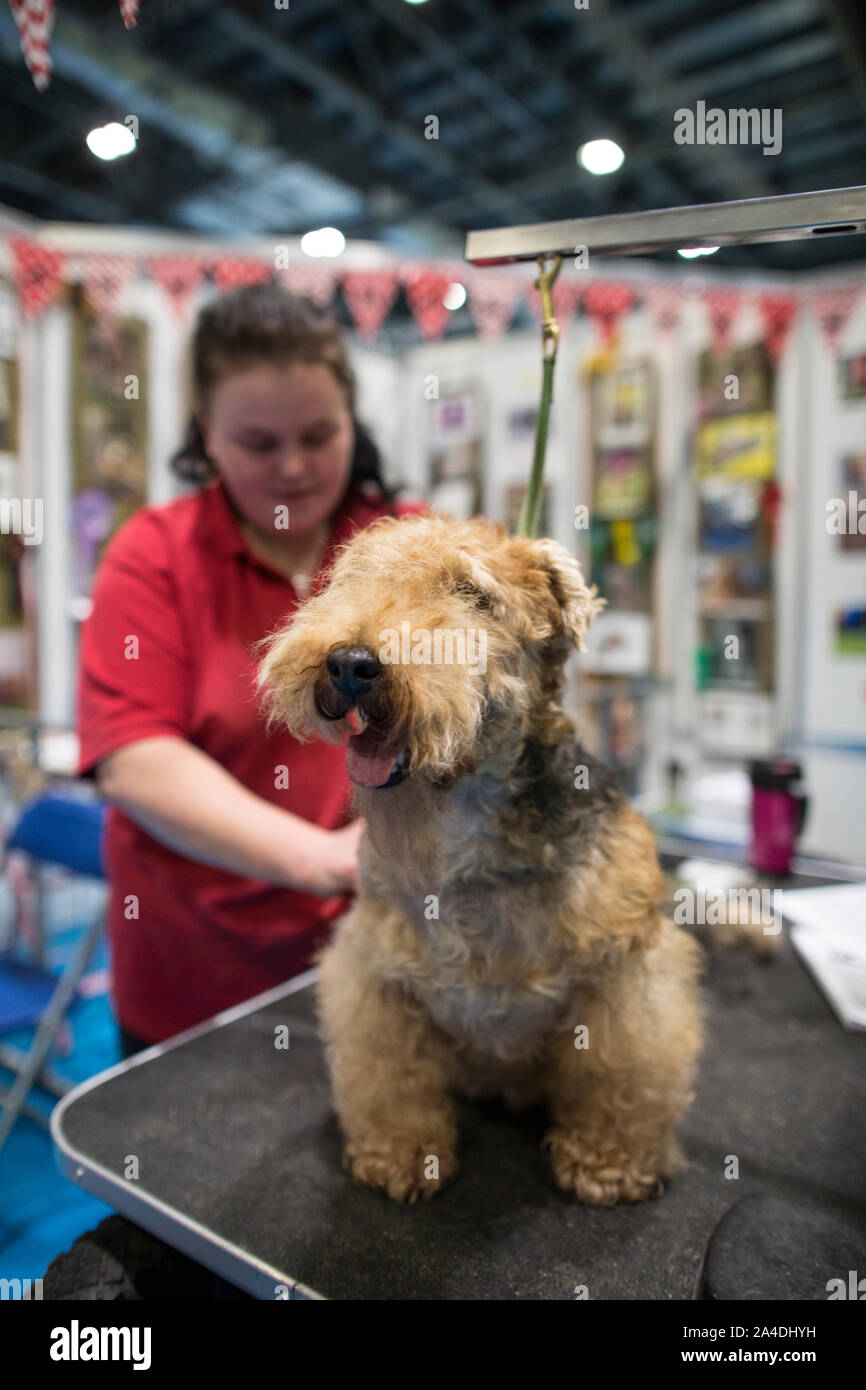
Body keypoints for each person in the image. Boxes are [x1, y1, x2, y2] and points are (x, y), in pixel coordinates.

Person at [76, 283, 427, 1059]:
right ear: (206, 434)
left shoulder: (411, 544)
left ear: (352, 420)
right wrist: (328, 860)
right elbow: (137, 760)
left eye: (319, 434)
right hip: (200, 981)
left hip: (394, 967)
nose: (294, 468)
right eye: (259, 444)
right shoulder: (152, 557)